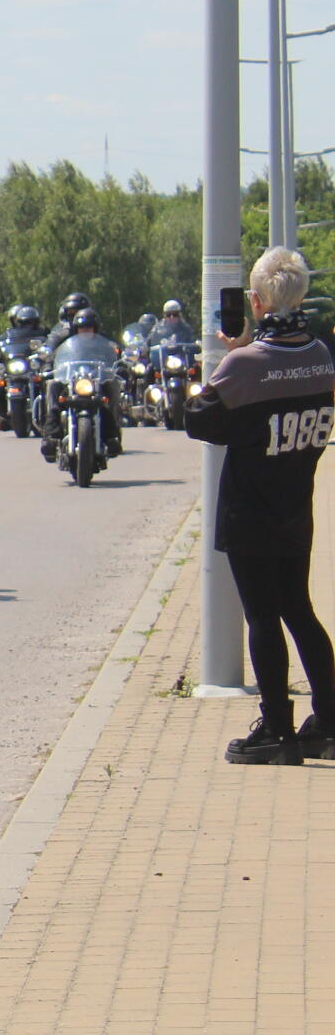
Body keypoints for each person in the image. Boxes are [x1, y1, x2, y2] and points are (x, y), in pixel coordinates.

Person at [187, 248, 335, 763]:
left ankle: (277, 729)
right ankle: (329, 722)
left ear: (255, 301)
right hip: (296, 505)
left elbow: (198, 420)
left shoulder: (245, 364)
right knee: (300, 610)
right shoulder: (321, 354)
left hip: (249, 510)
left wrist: (229, 356)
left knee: (263, 618)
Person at [47, 307, 125, 459]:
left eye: (89, 327)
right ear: (76, 328)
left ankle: (111, 435)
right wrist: (48, 366)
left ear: (95, 328)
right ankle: (51, 436)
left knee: (112, 385)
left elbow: (118, 355)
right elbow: (52, 356)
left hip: (96, 380)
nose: (86, 330)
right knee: (52, 385)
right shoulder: (66, 341)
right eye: (82, 327)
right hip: (71, 380)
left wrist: (121, 367)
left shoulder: (105, 341)